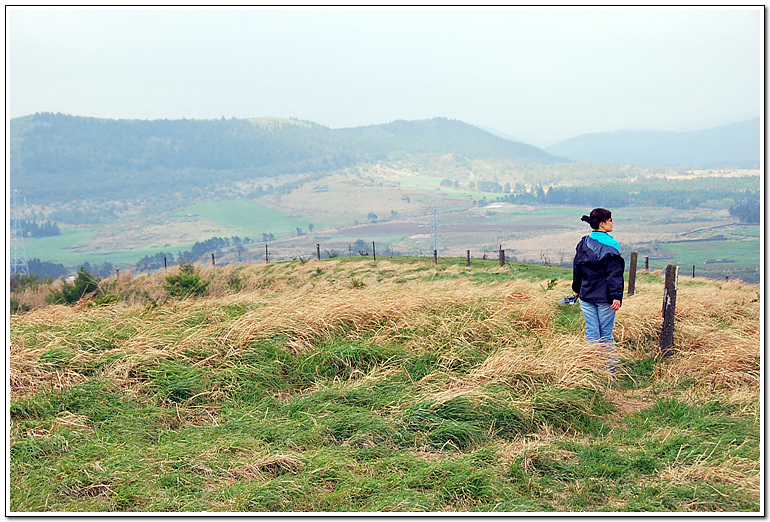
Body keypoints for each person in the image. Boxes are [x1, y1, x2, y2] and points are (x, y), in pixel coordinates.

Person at [572, 208, 625, 373]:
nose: (612, 222)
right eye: (610, 219)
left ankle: (592, 368)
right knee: (606, 335)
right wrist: (617, 295)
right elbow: (614, 272)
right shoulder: (612, 244)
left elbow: (577, 267)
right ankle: (608, 370)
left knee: (592, 333)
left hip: (586, 295)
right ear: (602, 223)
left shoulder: (583, 243)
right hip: (606, 296)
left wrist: (577, 289)